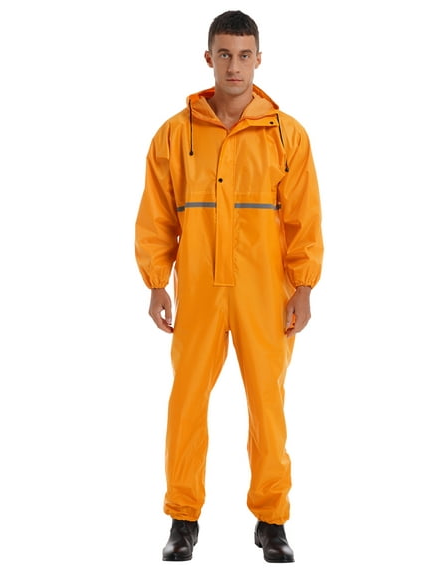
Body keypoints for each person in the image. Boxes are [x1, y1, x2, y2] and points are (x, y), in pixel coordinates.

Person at [134, 10, 324, 563]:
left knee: (268, 404)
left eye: (244, 55)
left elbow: (304, 218)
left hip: (264, 290)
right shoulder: (175, 134)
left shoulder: (287, 134)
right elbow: (157, 216)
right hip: (197, 288)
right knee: (186, 402)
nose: (234, 66)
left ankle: (272, 520)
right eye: (224, 54)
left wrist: (304, 286)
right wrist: (156, 283)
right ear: (208, 58)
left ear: (259, 59)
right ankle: (182, 518)